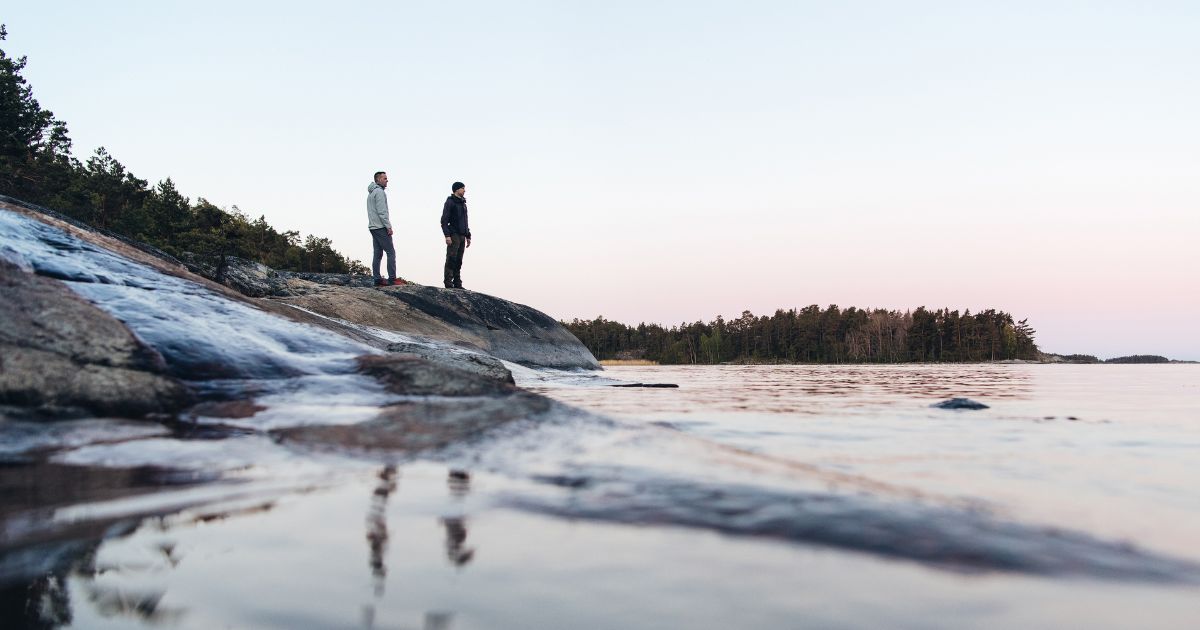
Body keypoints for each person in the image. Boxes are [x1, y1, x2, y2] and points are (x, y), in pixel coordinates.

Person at [367, 171, 397, 286]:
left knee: (378, 253)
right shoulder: (379, 192)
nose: (387, 180)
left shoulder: (371, 193)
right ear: (378, 179)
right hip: (380, 227)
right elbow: (382, 212)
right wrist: (388, 226)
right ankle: (392, 279)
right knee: (391, 252)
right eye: (384, 178)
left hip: (373, 227)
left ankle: (377, 279)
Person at [440, 181, 471, 289]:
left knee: (459, 260)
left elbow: (465, 220)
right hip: (454, 235)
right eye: (463, 188)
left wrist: (468, 235)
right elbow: (444, 220)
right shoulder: (450, 202)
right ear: (457, 189)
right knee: (451, 259)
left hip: (462, 235)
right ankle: (448, 283)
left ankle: (458, 283)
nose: (464, 190)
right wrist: (447, 235)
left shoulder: (463, 203)